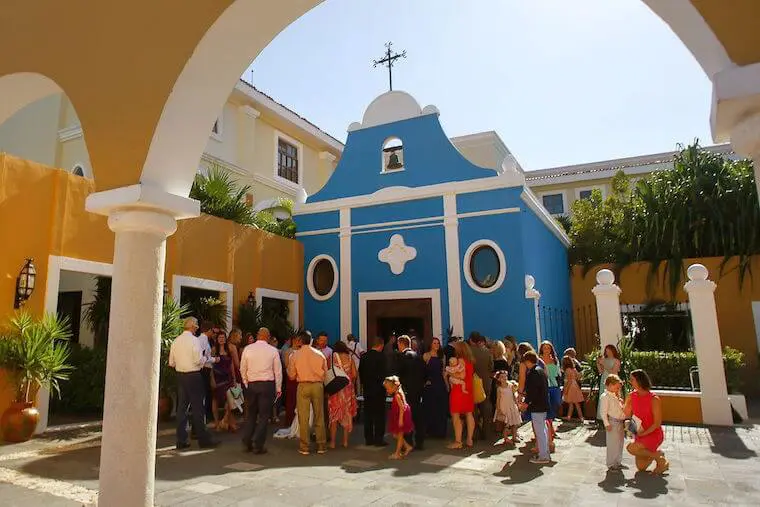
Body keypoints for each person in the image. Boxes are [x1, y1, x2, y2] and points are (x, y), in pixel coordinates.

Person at [168, 317, 218, 450]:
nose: (196, 329)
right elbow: (198, 360)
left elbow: (171, 362)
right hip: (193, 375)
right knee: (198, 407)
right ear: (193, 327)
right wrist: (209, 359)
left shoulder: (176, 341)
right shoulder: (194, 341)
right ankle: (203, 438)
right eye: (196, 327)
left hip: (180, 375)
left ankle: (181, 439)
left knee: (182, 408)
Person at [239, 327, 282, 454]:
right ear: (268, 337)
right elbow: (278, 371)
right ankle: (258, 443)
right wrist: (278, 388)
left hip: (252, 384)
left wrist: (246, 382)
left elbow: (242, 368)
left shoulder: (248, 349)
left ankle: (247, 440)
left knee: (251, 414)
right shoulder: (273, 350)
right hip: (267, 384)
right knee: (264, 416)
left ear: (258, 335)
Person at [287, 330, 328, 455]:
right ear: (311, 341)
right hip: (317, 385)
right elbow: (325, 373)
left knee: (303, 417)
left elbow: (291, 376)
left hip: (303, 385)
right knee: (319, 416)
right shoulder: (320, 354)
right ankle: (321, 445)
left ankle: (305, 446)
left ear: (300, 341)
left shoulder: (295, 355)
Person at [624, 369, 668, 474]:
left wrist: (644, 433)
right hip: (640, 432)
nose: (630, 382)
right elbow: (626, 415)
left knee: (631, 448)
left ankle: (659, 458)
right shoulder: (631, 396)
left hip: (653, 433)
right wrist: (626, 403)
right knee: (641, 467)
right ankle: (657, 454)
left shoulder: (654, 399)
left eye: (632, 380)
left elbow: (657, 423)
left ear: (639, 381)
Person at [393, 335, 427, 450]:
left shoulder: (402, 357)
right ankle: (420, 441)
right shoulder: (418, 356)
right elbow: (424, 373)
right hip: (417, 390)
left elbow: (398, 375)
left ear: (401, 344)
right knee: (417, 416)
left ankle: (407, 442)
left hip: (406, 391)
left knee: (406, 415)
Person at [519, 351, 551, 464]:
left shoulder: (533, 373)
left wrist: (525, 403)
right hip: (543, 404)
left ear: (528, 361)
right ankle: (545, 452)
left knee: (540, 431)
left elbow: (532, 392)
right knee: (543, 429)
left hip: (537, 406)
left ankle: (543, 456)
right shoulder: (540, 371)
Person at [327, 341, 358, 448]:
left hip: (335, 390)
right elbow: (354, 374)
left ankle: (332, 443)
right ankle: (345, 442)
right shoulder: (350, 358)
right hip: (347, 389)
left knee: (334, 416)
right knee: (346, 414)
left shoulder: (332, 357)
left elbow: (328, 371)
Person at [360, 336, 388, 446]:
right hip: (379, 390)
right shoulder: (382, 357)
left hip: (367, 389)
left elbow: (361, 373)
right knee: (380, 415)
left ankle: (368, 438)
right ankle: (378, 439)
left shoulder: (364, 357)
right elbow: (384, 374)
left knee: (368, 415)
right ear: (381, 345)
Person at [448, 341, 475, 449]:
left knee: (455, 415)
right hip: (468, 389)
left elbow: (461, 375)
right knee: (469, 414)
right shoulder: (470, 360)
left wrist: (449, 372)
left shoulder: (460, 360)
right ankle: (469, 439)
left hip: (458, 390)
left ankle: (458, 441)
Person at [210, 330, 238, 431]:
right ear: (217, 339)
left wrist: (234, 379)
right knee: (215, 400)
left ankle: (225, 420)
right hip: (217, 378)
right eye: (220, 338)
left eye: (223, 338)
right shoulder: (213, 350)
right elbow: (211, 366)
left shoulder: (229, 349)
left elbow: (232, 365)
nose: (222, 339)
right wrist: (212, 378)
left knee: (229, 401)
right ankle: (217, 423)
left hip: (228, 378)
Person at [422, 337, 448, 439]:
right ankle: (430, 430)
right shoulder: (426, 356)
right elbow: (422, 371)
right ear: (430, 345)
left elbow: (443, 372)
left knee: (440, 408)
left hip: (440, 383)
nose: (437, 345)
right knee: (430, 408)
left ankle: (441, 431)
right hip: (430, 385)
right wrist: (424, 382)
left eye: (438, 343)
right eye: (434, 343)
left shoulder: (442, 356)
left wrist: (446, 385)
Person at [470, 333, 494, 440]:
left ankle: (475, 432)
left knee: (473, 408)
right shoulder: (487, 352)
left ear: (471, 340)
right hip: (486, 382)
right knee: (486, 406)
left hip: (473, 382)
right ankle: (487, 432)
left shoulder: (469, 352)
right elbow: (491, 367)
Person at [384, 376, 414, 460]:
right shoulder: (399, 390)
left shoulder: (397, 395)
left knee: (399, 435)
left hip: (401, 415)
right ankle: (407, 446)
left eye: (388, 389)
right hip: (400, 414)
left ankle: (397, 453)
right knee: (396, 435)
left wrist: (400, 419)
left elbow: (402, 408)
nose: (387, 391)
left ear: (393, 387)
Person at [600, 374, 625, 470]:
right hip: (613, 422)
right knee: (612, 443)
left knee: (619, 443)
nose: (618, 389)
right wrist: (606, 423)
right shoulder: (605, 397)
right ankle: (611, 463)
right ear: (610, 385)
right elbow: (603, 412)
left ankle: (618, 461)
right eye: (616, 386)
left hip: (620, 422)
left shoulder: (615, 396)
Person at [539, 341, 561, 446]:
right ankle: (551, 429)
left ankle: (550, 427)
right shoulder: (539, 360)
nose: (546, 350)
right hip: (544, 386)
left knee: (556, 403)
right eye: (545, 348)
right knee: (548, 408)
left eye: (548, 348)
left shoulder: (555, 360)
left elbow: (558, 374)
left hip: (554, 385)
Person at [493, 370, 521, 446]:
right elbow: (498, 399)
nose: (504, 378)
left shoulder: (511, 385)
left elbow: (513, 396)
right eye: (502, 377)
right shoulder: (499, 388)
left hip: (511, 406)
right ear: (499, 379)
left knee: (515, 423)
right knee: (506, 424)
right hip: (504, 407)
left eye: (505, 376)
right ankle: (506, 438)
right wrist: (498, 409)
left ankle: (514, 437)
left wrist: (517, 404)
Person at [597, 344, 621, 420]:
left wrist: (604, 364)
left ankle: (614, 416)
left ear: (613, 351)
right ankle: (604, 417)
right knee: (604, 398)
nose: (608, 353)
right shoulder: (604, 360)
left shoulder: (616, 361)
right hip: (604, 380)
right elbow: (601, 372)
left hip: (613, 380)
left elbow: (613, 372)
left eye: (609, 351)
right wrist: (598, 364)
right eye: (606, 351)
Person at [198, 321, 216, 422]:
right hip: (203, 370)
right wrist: (214, 359)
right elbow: (202, 357)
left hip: (205, 370)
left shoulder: (204, 340)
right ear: (209, 330)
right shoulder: (203, 340)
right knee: (203, 395)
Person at [282, 333, 301, 426]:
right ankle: (290, 420)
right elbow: (286, 364)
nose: (300, 342)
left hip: (300, 377)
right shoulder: (288, 351)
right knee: (291, 398)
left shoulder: (302, 351)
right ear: (293, 340)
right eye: (298, 340)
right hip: (291, 377)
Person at [562, 355, 584, 421]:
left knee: (571, 402)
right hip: (575, 385)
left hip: (571, 387)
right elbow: (578, 377)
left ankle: (572, 416)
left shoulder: (567, 370)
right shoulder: (574, 369)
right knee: (576, 403)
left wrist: (565, 389)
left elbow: (568, 381)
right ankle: (580, 417)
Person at [491, 340, 509, 407]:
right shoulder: (504, 360)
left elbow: (498, 374)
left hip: (497, 385)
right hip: (503, 384)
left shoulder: (497, 362)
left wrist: (491, 374)